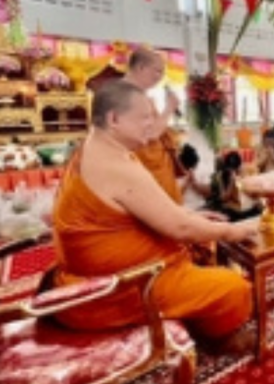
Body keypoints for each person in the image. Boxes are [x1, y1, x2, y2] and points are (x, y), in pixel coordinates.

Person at [50, 81, 256, 352]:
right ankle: (218, 337)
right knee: (234, 287)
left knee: (205, 243)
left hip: (93, 271)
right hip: (115, 288)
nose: (153, 123)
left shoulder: (96, 148)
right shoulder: (115, 165)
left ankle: (192, 307)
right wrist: (235, 231)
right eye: (145, 117)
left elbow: (147, 207)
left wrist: (189, 215)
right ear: (114, 119)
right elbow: (180, 228)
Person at [123, 48, 183, 203]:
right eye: (157, 71)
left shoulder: (142, 95)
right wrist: (169, 108)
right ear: (141, 67)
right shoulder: (126, 95)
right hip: (142, 166)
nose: (160, 77)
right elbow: (149, 135)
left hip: (155, 163)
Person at [202, 151, 260, 222]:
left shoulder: (245, 171)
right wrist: (231, 182)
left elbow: (251, 192)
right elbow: (223, 198)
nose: (233, 171)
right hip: (231, 209)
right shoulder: (221, 175)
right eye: (230, 169)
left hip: (245, 208)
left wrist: (242, 178)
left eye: (236, 168)